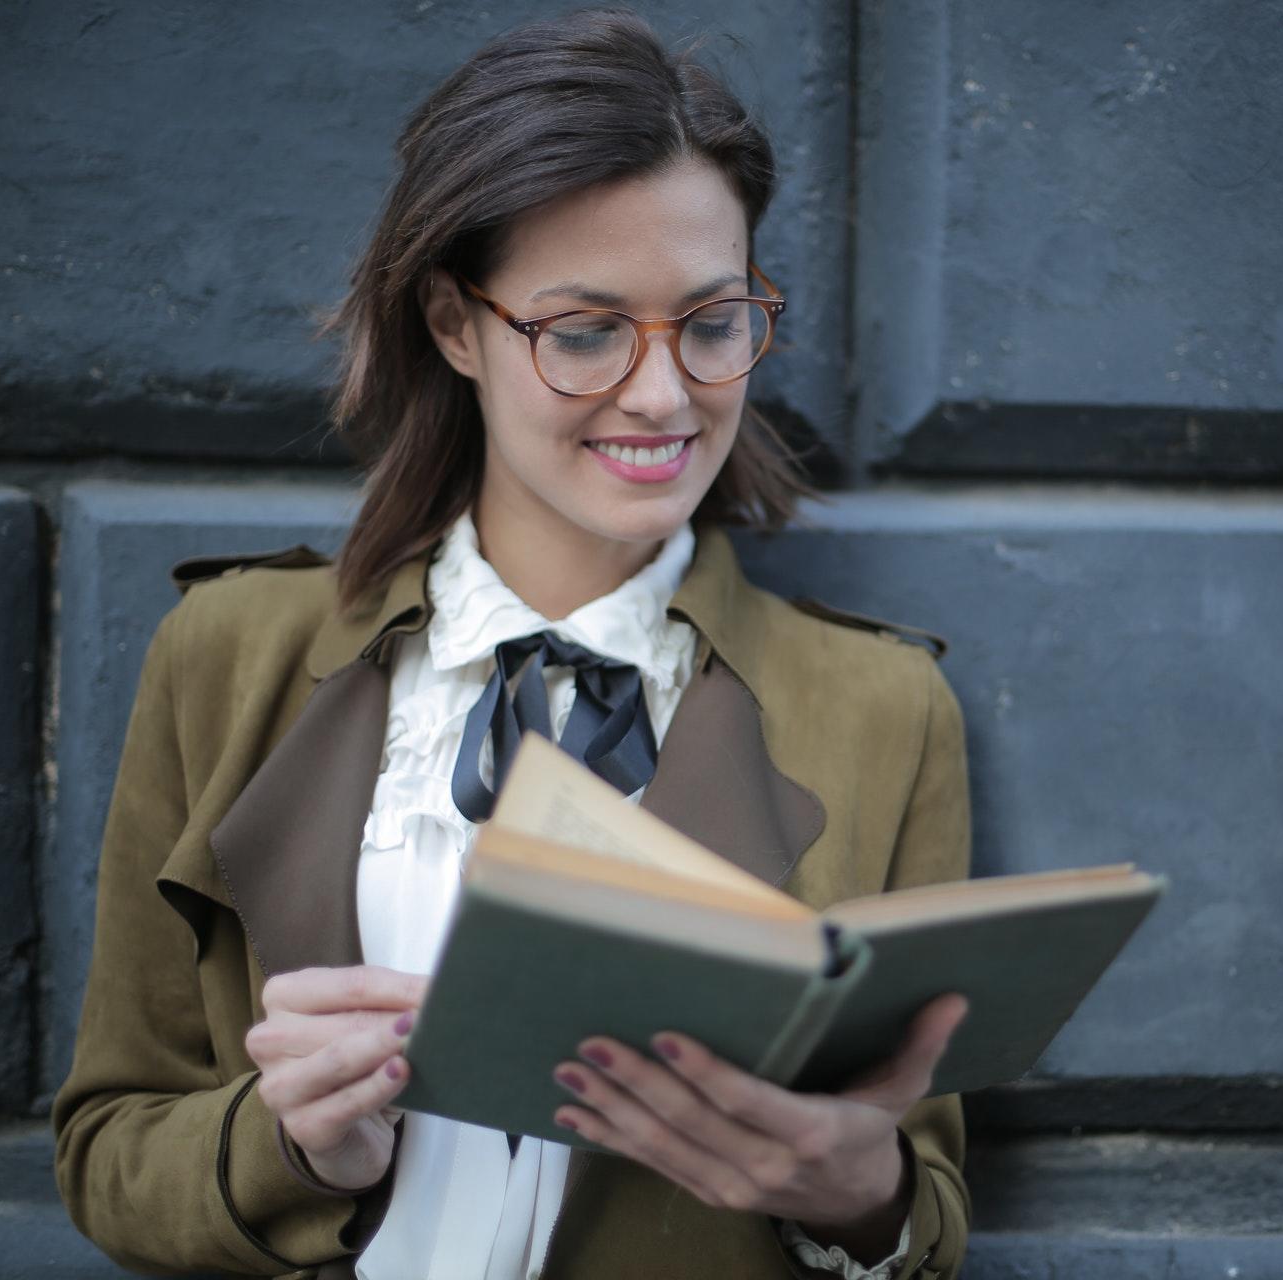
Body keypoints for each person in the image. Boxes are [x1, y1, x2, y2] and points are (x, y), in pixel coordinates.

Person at [51, 9, 972, 1278]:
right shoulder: (224, 655)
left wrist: (861, 1188)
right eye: (584, 331)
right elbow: (108, 1146)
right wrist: (295, 1145)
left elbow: (925, 1210)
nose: (663, 394)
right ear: (453, 323)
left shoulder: (885, 706)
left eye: (712, 321)